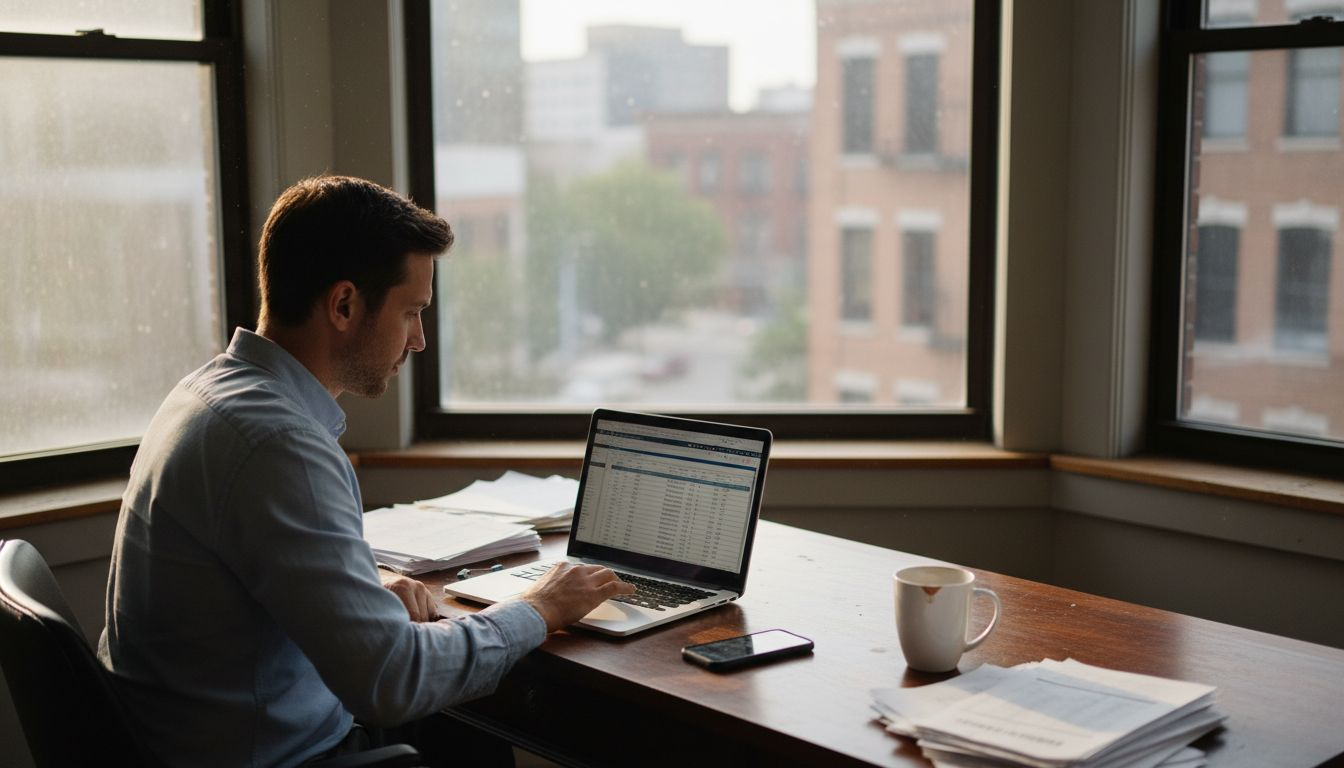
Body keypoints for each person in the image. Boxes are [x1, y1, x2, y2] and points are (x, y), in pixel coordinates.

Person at [97, 175, 634, 767]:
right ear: (345, 304)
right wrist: (542, 607)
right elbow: (391, 683)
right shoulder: (280, 445)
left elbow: (245, 584)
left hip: (190, 736)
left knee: (470, 725)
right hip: (277, 756)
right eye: (411, 312)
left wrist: (360, 596)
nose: (420, 340)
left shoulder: (207, 394)